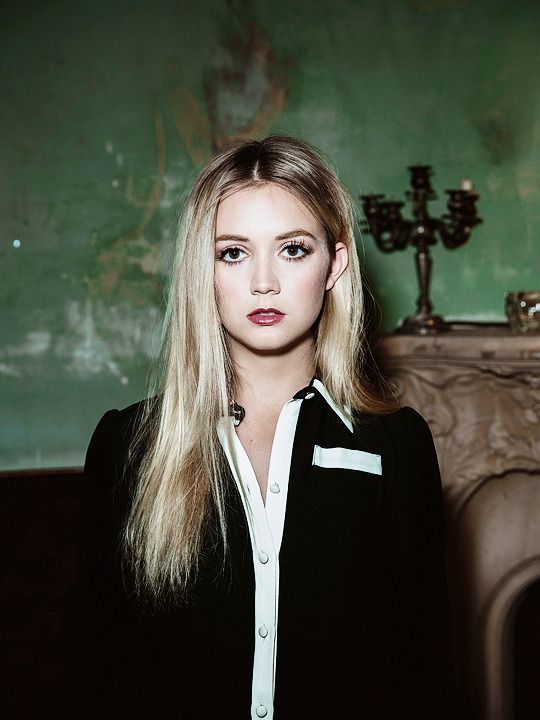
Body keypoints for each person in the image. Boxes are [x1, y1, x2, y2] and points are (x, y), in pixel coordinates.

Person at [65, 136, 454, 719]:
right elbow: (96, 673)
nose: (264, 282)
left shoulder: (396, 446)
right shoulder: (129, 446)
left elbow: (425, 672)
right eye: (233, 253)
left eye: (293, 249)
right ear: (204, 268)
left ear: (335, 265)